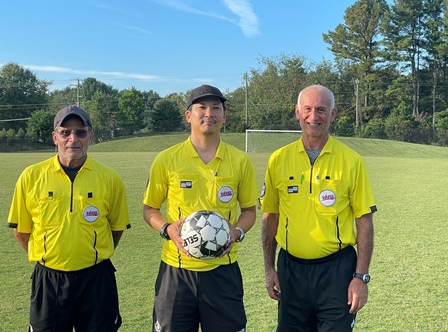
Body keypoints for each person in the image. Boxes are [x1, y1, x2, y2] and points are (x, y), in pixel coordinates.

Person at [260, 85, 377, 332]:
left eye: (321, 109)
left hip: (337, 271)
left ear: (333, 114)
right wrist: (269, 268)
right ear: (297, 112)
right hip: (291, 271)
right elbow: (270, 215)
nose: (314, 117)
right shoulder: (278, 159)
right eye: (308, 109)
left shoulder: (351, 161)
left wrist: (360, 277)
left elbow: (364, 221)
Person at [142, 84, 258, 332]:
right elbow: (149, 208)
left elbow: (249, 211)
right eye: (202, 107)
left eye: (216, 108)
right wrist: (167, 229)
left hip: (223, 271)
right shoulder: (167, 159)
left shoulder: (240, 161)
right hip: (176, 271)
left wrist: (236, 232)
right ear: (188, 115)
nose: (209, 113)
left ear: (224, 116)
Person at [7, 105, 131, 332]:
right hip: (49, 280)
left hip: (96, 279)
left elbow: (116, 228)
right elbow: (22, 231)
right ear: (55, 137)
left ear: (90, 136)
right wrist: (51, 256)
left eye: (80, 132)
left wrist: (90, 253)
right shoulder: (31, 176)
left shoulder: (109, 178)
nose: (73, 139)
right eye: (65, 132)